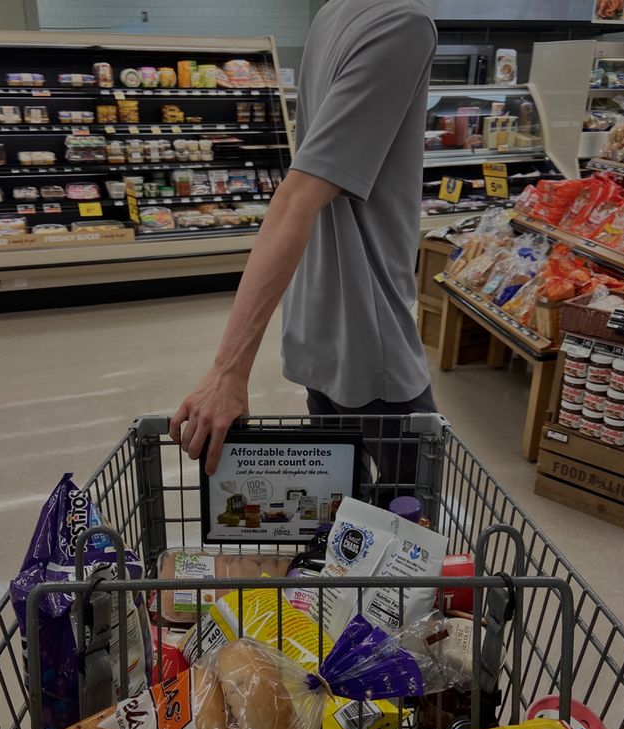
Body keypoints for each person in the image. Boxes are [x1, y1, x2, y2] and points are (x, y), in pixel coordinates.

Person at [170, 0, 438, 482]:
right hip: (369, 331)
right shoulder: (404, 22)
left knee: (340, 509)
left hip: (318, 321)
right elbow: (298, 198)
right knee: (412, 522)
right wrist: (228, 370)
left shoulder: (333, 12)